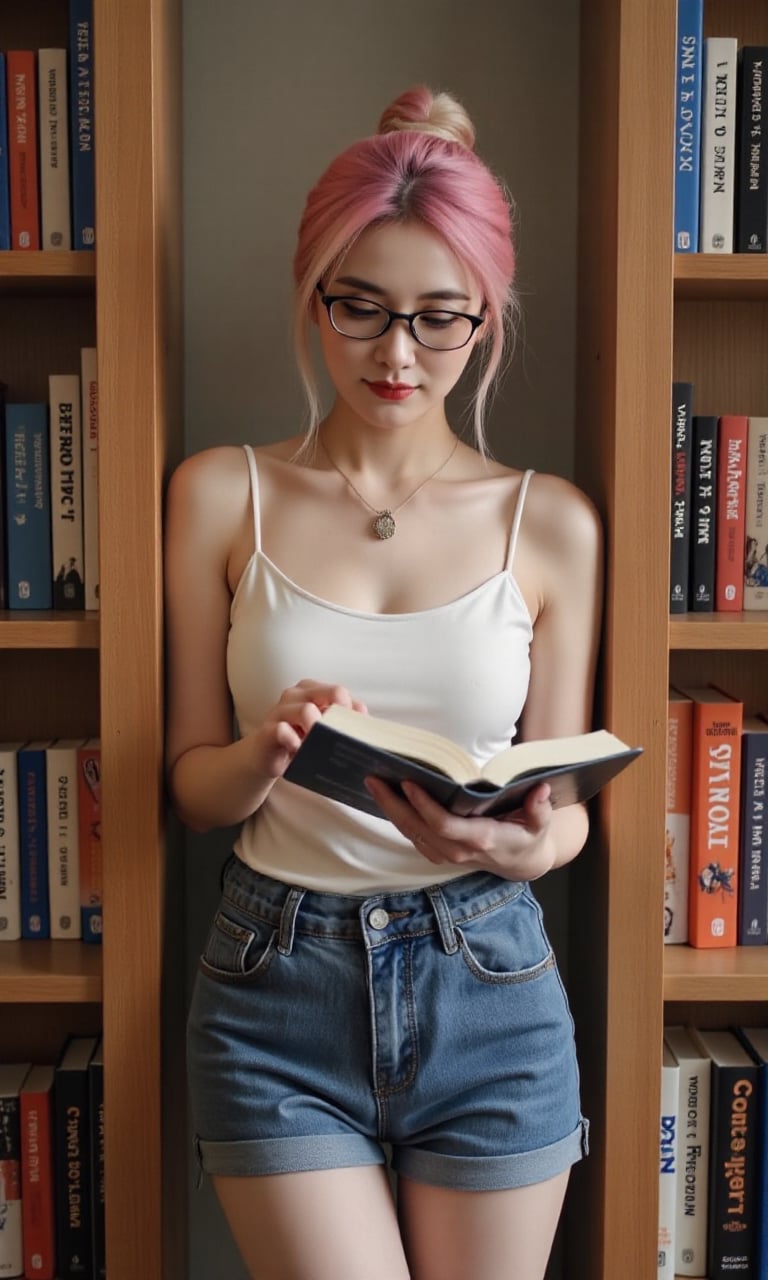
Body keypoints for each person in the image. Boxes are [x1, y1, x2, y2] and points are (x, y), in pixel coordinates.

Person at [165, 85, 603, 1280]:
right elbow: (193, 787)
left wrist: (529, 849)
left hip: (491, 981)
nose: (396, 354)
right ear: (313, 295)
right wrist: (268, 750)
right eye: (359, 308)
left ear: (487, 315)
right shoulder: (220, 494)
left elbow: (561, 803)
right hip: (276, 984)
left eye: (439, 317)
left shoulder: (549, 522)